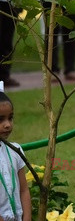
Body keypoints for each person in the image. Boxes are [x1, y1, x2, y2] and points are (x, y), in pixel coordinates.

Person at [0, 81, 32, 221]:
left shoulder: (16, 151)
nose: (7, 125)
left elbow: (24, 190)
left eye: (10, 118)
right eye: (0, 120)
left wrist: (27, 218)